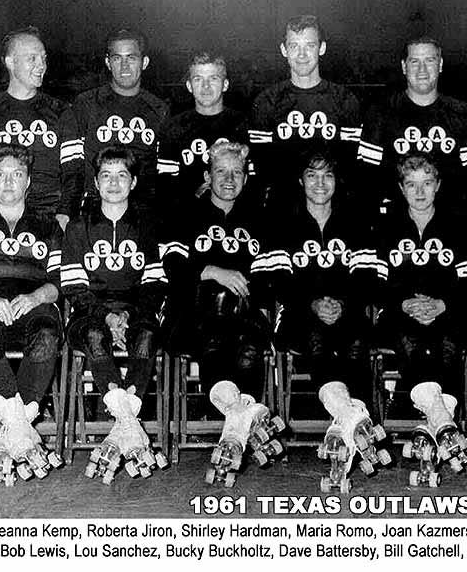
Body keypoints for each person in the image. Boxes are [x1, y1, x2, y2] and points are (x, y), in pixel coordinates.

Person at [61, 145, 167, 477]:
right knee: (94, 334)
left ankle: (122, 424)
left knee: (148, 334)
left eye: (122, 175)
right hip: (89, 312)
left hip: (136, 312)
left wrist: (129, 317)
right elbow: (74, 286)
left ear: (134, 182)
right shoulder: (78, 228)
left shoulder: (148, 225)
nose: (114, 183)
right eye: (106, 175)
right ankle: (128, 424)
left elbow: (154, 282)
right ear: (95, 181)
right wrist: (106, 316)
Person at [0, 143, 64, 482]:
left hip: (32, 304)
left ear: (28, 181)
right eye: (0, 175)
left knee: (49, 333)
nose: (8, 182)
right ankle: (22, 427)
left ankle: (13, 425)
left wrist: (36, 297)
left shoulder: (48, 224)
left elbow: (59, 282)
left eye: (16, 175)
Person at [252, 152, 375, 405]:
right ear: (300, 181)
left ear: (337, 180)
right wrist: (313, 304)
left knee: (356, 342)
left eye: (327, 175)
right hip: (298, 315)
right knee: (317, 339)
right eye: (312, 175)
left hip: (347, 312)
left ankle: (357, 419)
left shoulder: (355, 224)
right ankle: (347, 417)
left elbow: (366, 279)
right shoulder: (282, 225)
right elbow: (277, 283)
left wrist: (341, 304)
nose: (320, 183)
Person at [161, 141, 269, 399]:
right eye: (221, 171)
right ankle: (235, 419)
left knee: (250, 339)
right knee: (221, 303)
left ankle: (236, 420)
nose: (230, 179)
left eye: (237, 172)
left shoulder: (259, 219)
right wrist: (212, 271)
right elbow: (173, 267)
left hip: (245, 320)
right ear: (208, 176)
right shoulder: (184, 213)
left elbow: (267, 278)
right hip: (189, 321)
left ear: (246, 177)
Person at [374, 153, 467, 404]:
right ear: (401, 188)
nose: (420, 192)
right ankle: (440, 421)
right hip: (399, 313)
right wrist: (404, 303)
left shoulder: (458, 225)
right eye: (411, 184)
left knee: (448, 342)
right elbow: (374, 284)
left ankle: (440, 418)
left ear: (438, 185)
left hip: (448, 312)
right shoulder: (385, 228)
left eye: (427, 183)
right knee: (409, 339)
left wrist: (442, 304)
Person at [0, 26, 82, 228]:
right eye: (32, 59)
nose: (41, 66)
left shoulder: (61, 111)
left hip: (50, 219)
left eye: (44, 58)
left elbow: (74, 172)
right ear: (10, 62)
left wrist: (65, 214)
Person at [248, 15, 362, 212]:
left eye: (309, 45)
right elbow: (261, 166)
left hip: (333, 207)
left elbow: (351, 165)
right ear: (284, 50)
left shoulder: (344, 100)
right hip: (282, 206)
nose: (302, 54)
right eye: (294, 46)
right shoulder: (267, 101)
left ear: (322, 48)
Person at [357, 37, 467, 222]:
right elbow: (366, 180)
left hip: (450, 224)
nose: (422, 70)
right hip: (394, 224)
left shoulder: (462, 113)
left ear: (440, 64)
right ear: (404, 66)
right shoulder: (381, 112)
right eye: (414, 61)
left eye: (430, 60)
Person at [72, 28, 169, 215]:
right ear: (108, 62)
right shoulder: (86, 103)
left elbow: (162, 172)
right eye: (117, 58)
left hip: (143, 210)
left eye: (131, 58)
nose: (124, 66)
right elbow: (74, 166)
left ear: (144, 62)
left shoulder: (159, 109)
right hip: (94, 209)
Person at [156, 52, 248, 216]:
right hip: (186, 216)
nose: (205, 86)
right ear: (189, 86)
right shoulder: (173, 127)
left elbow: (251, 182)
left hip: (234, 217)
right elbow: (166, 186)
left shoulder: (242, 125)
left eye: (213, 78)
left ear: (225, 84)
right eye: (198, 79)